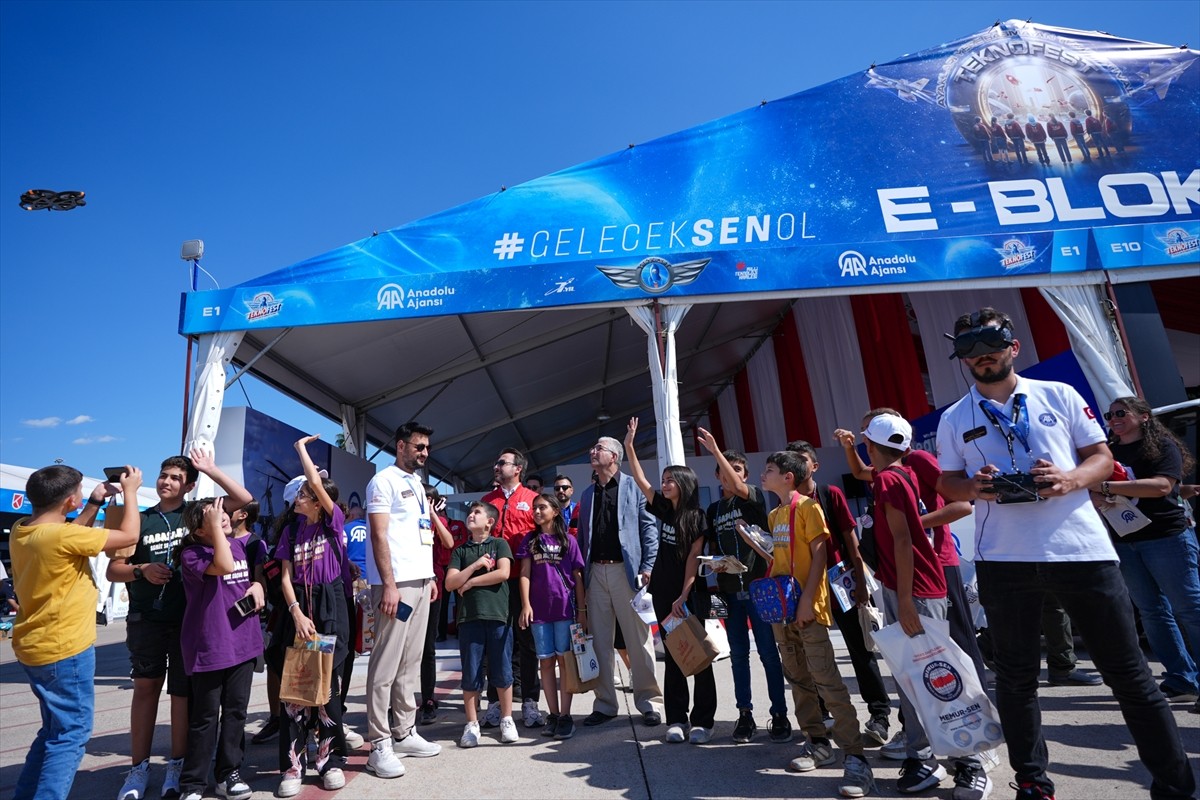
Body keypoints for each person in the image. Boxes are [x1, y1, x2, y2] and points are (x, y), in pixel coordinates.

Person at [936, 307, 1195, 800]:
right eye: (969, 349)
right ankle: (1033, 782)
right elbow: (946, 480)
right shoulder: (954, 417)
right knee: (1015, 680)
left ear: (1013, 347)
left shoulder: (1059, 394)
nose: (981, 356)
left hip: (1082, 552)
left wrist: (1069, 479)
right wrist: (974, 487)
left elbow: (1102, 458)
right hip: (1004, 561)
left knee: (1130, 675)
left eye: (991, 345)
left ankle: (1176, 785)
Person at [857, 416, 989, 800]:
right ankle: (922, 756)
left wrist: (901, 599)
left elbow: (902, 541)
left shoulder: (888, 479)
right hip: (910, 585)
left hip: (913, 589)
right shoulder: (904, 473)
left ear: (870, 445)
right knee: (913, 678)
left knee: (938, 677)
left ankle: (969, 763)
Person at [112, 449, 251, 800]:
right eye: (163, 475)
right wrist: (141, 570)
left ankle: (177, 764)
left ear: (188, 485)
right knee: (145, 689)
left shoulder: (198, 517)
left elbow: (242, 500)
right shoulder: (139, 518)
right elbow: (115, 569)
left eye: (175, 478)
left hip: (191, 621)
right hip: (148, 618)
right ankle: (138, 768)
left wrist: (210, 468)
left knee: (182, 696)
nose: (166, 482)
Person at [740, 450, 874, 799]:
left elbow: (819, 555)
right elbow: (782, 556)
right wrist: (757, 545)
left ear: (788, 477)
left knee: (827, 681)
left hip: (807, 609)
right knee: (798, 679)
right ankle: (816, 742)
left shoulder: (809, 507)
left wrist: (806, 601)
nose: (762, 475)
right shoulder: (774, 514)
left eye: (768, 470)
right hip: (782, 610)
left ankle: (856, 757)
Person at [11, 464, 142, 800]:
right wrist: (130, 493)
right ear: (70, 501)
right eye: (81, 492)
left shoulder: (22, 529)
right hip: (64, 648)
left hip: (34, 645)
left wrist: (95, 503)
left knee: (54, 730)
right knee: (71, 734)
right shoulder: (62, 536)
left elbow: (66, 537)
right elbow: (128, 537)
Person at [1092, 396, 1200, 702]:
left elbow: (1162, 486)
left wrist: (1106, 488)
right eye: (1110, 414)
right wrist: (1097, 495)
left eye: (1121, 412)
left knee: (1189, 609)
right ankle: (1182, 679)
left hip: (1167, 538)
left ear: (1143, 417)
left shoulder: (1163, 447)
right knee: (1152, 612)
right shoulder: (1107, 453)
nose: (1114, 418)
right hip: (1125, 542)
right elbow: (1090, 490)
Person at [785, 440, 892, 747]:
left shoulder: (830, 495)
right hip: (807, 593)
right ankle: (823, 716)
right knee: (813, 656)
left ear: (814, 466)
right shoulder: (787, 503)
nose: (796, 465)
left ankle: (879, 715)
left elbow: (851, 539)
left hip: (840, 585)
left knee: (861, 651)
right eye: (791, 460)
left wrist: (860, 581)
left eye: (802, 460)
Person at [695, 427, 791, 744]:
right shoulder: (714, 510)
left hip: (759, 591)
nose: (729, 475)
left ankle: (779, 714)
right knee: (738, 657)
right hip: (729, 594)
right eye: (723, 471)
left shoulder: (753, 498)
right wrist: (713, 564)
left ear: (745, 474)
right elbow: (706, 549)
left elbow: (738, 487)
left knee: (767, 653)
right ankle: (745, 713)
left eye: (735, 470)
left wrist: (715, 450)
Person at [624, 417, 717, 744]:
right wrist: (629, 446)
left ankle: (704, 721)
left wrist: (684, 595)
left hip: (688, 596)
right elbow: (639, 479)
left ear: (684, 483)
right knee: (676, 657)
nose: (663, 484)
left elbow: (694, 558)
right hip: (662, 594)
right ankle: (676, 720)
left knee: (700, 657)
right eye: (663, 479)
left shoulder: (697, 517)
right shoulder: (664, 509)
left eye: (669, 480)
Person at [269, 435, 352, 796]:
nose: (298, 498)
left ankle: (330, 761)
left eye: (304, 494)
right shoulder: (290, 530)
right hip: (298, 610)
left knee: (326, 688)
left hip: (329, 606)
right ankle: (292, 765)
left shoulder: (332, 521)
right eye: (300, 493)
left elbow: (316, 482)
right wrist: (296, 613)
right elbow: (285, 576)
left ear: (318, 502)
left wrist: (300, 449)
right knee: (295, 690)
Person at [364, 421, 442, 780]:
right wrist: (390, 585)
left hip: (420, 582)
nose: (424, 452)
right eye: (418, 446)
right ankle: (379, 743)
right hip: (396, 585)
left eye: (426, 447)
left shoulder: (416, 484)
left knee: (410, 662)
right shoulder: (384, 481)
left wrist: (429, 578)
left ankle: (405, 731)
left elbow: (420, 535)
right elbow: (379, 535)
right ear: (400, 446)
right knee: (386, 664)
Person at [176, 497, 264, 800]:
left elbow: (246, 577)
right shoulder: (192, 553)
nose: (222, 517)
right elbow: (224, 566)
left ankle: (229, 773)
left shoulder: (238, 544)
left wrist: (258, 586)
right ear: (200, 530)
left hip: (243, 642)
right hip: (210, 647)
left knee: (236, 712)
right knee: (205, 717)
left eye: (223, 513)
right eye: (213, 517)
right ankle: (193, 783)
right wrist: (216, 528)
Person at [575, 435, 664, 728]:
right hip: (596, 574)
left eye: (598, 447)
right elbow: (584, 538)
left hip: (626, 572)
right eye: (593, 446)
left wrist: (648, 566)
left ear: (614, 456)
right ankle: (605, 704)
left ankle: (648, 702)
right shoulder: (587, 495)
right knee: (600, 642)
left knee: (638, 640)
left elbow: (649, 529)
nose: (592, 451)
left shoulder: (634, 487)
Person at [446, 501, 518, 747]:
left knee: (502, 670)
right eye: (470, 512)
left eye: (477, 512)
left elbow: (503, 573)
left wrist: (471, 583)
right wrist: (475, 567)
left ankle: (507, 719)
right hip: (469, 619)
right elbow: (449, 583)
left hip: (498, 616)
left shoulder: (499, 544)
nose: (471, 515)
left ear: (490, 521)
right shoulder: (460, 550)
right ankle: (472, 724)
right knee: (471, 672)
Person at [481, 449, 544, 728]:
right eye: (497, 461)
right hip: (493, 584)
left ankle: (530, 703)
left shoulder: (532, 501)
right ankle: (495, 703)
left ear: (517, 468)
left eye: (501, 462)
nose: (496, 466)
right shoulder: (487, 501)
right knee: (495, 644)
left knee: (527, 644)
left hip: (524, 583)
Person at [517, 491, 586, 739]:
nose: (536, 512)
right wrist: (526, 605)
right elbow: (524, 574)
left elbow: (577, 578)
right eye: (534, 508)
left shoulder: (569, 540)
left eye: (542, 507)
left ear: (555, 511)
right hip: (540, 612)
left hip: (565, 610)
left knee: (564, 662)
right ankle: (553, 714)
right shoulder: (529, 540)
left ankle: (566, 716)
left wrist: (582, 610)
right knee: (545, 662)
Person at [419, 484, 455, 724]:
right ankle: (398, 701)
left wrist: (433, 516)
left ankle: (428, 698)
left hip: (434, 590)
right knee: (405, 650)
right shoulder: (404, 521)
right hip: (407, 590)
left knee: (428, 648)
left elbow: (449, 545)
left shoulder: (438, 521)